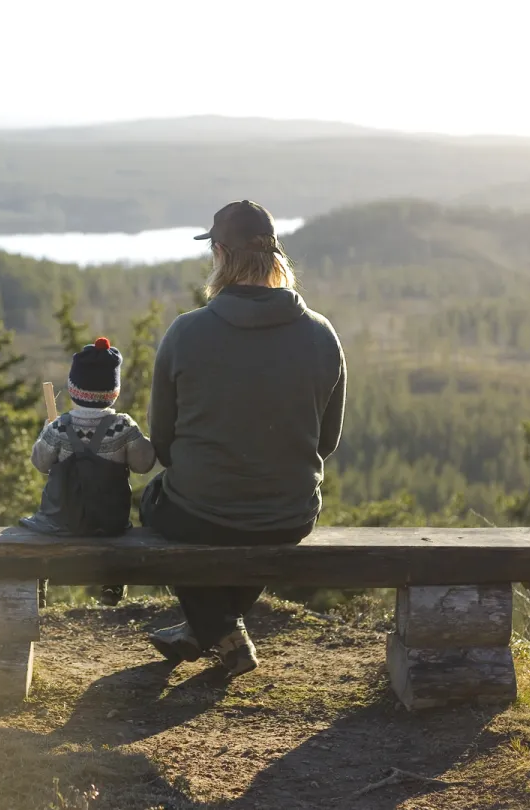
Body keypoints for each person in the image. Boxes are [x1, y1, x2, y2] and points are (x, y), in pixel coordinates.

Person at [142, 200, 347, 677]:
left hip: (198, 513)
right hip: (288, 516)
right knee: (250, 524)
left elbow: (163, 443)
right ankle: (209, 628)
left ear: (218, 253)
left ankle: (219, 629)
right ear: (276, 256)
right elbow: (327, 442)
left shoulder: (187, 332)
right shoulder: (321, 334)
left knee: (155, 504)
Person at [21, 337, 156, 606]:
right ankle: (113, 582)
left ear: (73, 389)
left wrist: (46, 430)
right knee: (118, 532)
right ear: (113, 392)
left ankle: (39, 581)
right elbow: (145, 464)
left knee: (33, 532)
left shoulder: (59, 427)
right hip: (110, 522)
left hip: (63, 521)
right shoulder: (123, 427)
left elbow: (41, 463)